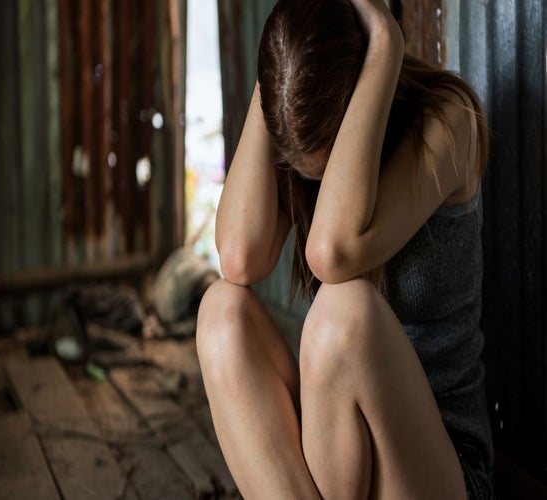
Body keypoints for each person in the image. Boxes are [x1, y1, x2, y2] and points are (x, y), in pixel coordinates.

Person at [196, 0, 494, 498]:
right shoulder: (306, 119)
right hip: (341, 466)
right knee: (220, 313)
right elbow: (239, 257)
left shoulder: (449, 120)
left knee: (342, 313)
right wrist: (278, 63)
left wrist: (382, 49)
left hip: (439, 467)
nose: (315, 179)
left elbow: (332, 255)